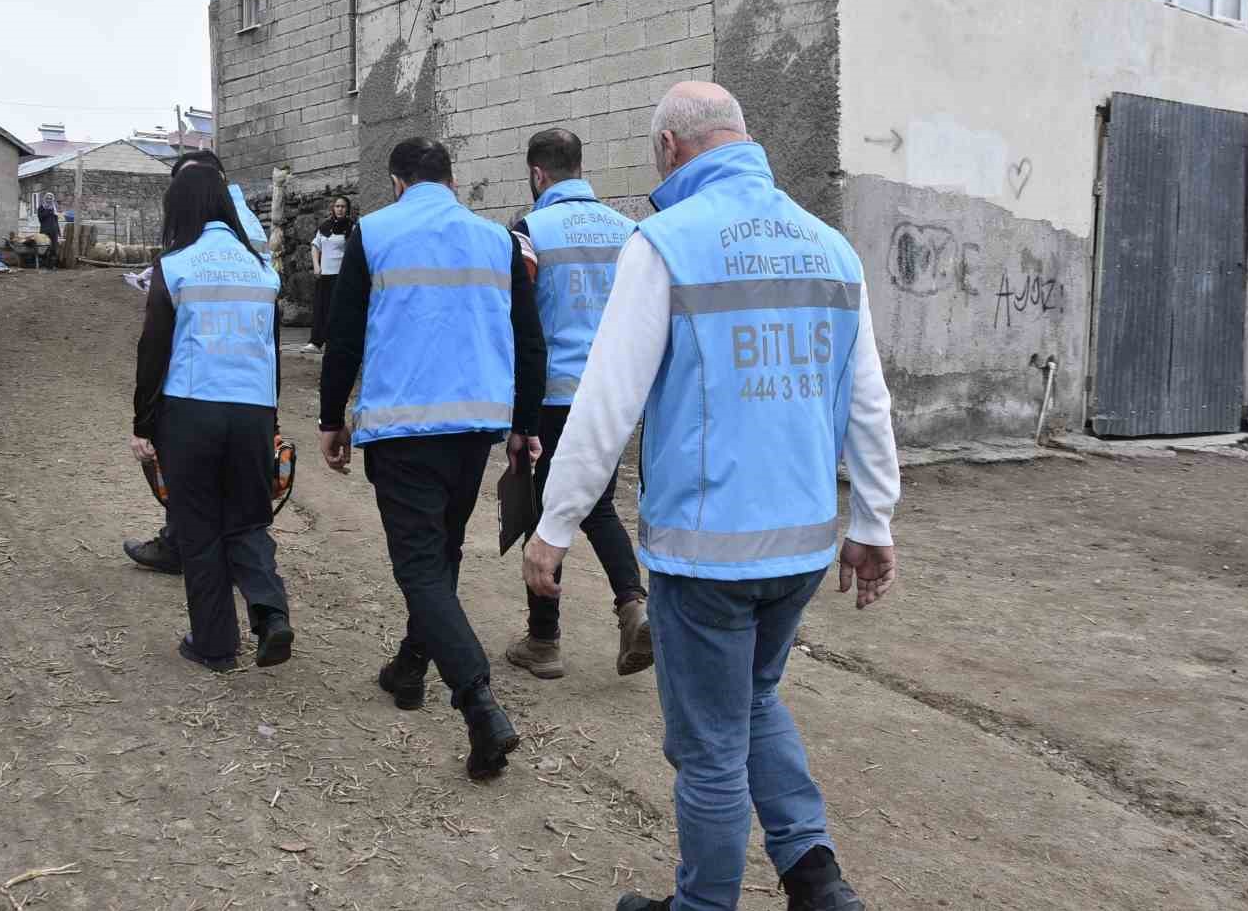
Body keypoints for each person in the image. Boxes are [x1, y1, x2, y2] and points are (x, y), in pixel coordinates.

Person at [522, 82, 900, 911]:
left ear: (670, 148)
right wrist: (873, 519)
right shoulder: (831, 247)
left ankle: (703, 905)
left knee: (710, 749)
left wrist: (554, 523)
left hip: (707, 554)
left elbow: (608, 399)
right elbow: (866, 397)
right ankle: (816, 880)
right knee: (754, 699)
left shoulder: (666, 243)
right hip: (801, 545)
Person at [318, 137, 546, 779]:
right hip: (474, 427)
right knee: (441, 553)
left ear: (397, 183)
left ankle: (479, 705)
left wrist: (331, 418)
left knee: (420, 566)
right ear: (452, 181)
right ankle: (410, 666)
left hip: (402, 429)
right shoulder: (498, 240)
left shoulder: (374, 233)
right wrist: (524, 425)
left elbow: (344, 336)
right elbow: (529, 341)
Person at [131, 163, 295, 673]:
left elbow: (153, 348)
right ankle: (271, 614)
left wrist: (143, 422)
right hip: (252, 411)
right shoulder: (262, 269)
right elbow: (271, 352)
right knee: (247, 519)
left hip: (191, 409)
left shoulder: (176, 264)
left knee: (199, 528)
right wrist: (270, 420)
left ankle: (215, 643)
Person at [504, 128, 650, 680]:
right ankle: (632, 606)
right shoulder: (628, 230)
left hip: (552, 395)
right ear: (580, 167)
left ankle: (544, 640)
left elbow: (519, 318)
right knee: (598, 505)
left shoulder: (530, 231)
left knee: (544, 511)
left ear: (537, 174)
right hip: (612, 394)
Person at [124, 149, 272, 575]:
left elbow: (158, 339)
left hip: (204, 379)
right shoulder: (242, 227)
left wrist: (145, 419)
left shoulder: (229, 227)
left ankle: (186, 547)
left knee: (196, 481)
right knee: (240, 499)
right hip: (250, 390)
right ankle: (240, 568)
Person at [309, 196, 353, 350]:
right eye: (337, 206)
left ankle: (336, 342)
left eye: (343, 206)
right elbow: (315, 246)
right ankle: (316, 342)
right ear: (333, 208)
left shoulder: (352, 228)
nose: (340, 209)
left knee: (338, 310)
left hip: (341, 275)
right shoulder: (325, 226)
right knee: (320, 309)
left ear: (347, 209)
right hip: (324, 274)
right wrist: (316, 265)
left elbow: (352, 251)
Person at [36, 193, 61, 268]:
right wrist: (48, 211)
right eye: (47, 198)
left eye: (50, 198)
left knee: (54, 248)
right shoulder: (41, 207)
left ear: (52, 199)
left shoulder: (54, 208)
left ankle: (52, 265)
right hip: (45, 231)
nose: (49, 200)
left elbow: (55, 221)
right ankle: (44, 264)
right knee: (45, 247)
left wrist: (58, 231)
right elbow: (40, 218)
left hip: (54, 231)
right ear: (45, 199)